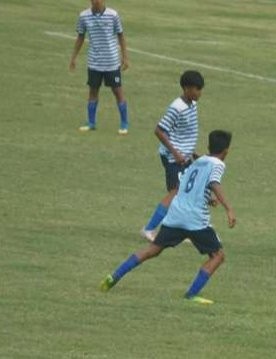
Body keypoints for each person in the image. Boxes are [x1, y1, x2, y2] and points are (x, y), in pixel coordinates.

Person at [100, 130, 236, 304]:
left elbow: (187, 185)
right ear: (226, 151)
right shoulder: (218, 164)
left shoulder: (198, 162)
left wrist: (207, 198)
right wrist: (229, 209)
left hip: (176, 214)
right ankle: (191, 295)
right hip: (194, 219)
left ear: (209, 146)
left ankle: (114, 276)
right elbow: (214, 182)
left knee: (152, 250)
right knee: (218, 256)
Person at [140, 70, 205, 241]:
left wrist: (191, 151)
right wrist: (176, 152)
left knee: (187, 192)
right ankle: (148, 229)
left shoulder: (193, 105)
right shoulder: (177, 107)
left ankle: (185, 231)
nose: (199, 93)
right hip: (173, 157)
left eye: (200, 89)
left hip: (185, 155)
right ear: (186, 88)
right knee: (175, 192)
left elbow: (185, 132)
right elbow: (159, 130)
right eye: (196, 89)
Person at [69, 0, 130, 135]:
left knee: (117, 91)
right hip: (94, 62)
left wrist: (125, 57)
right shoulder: (84, 16)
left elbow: (121, 35)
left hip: (111, 62)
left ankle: (124, 123)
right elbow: (80, 36)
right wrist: (73, 57)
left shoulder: (113, 15)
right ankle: (91, 122)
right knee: (93, 91)